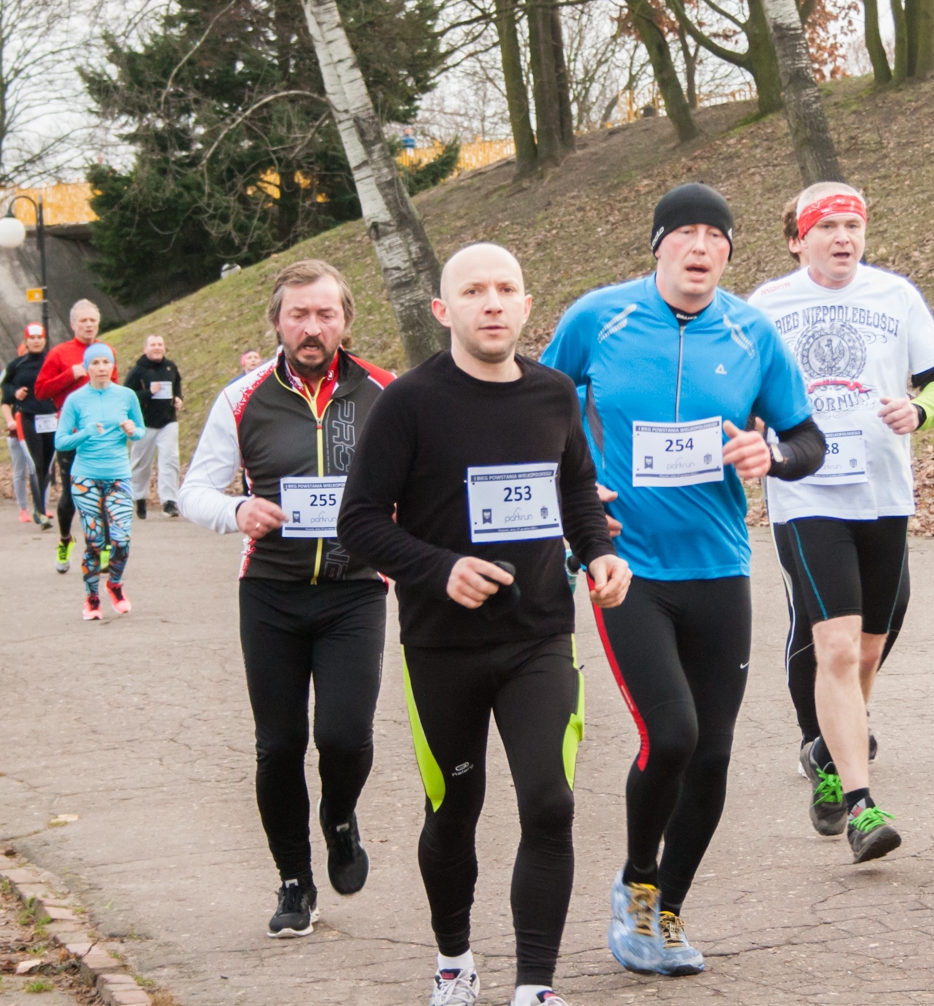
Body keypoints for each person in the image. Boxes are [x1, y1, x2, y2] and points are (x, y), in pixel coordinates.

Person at [541, 184, 824, 977]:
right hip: (627, 566)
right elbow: (537, 409)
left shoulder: (752, 330)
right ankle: (635, 883)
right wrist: (573, 492)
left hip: (720, 564)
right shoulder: (599, 318)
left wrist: (774, 456)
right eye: (685, 234)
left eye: (716, 236)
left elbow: (807, 436)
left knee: (713, 753)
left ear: (730, 252)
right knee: (672, 734)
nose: (700, 248)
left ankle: (666, 910)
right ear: (659, 244)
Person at [338, 243, 632, 1006]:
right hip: (442, 646)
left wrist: (598, 552)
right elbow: (359, 522)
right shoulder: (409, 402)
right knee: (454, 809)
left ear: (527, 305)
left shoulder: (554, 394)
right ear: (444, 310)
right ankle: (454, 960)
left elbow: (576, 491)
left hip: (539, 635)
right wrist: (439, 567)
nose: (492, 302)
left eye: (506, 289)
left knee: (551, 802)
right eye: (474, 291)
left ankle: (535, 985)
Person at [750, 182, 934, 861]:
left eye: (853, 225)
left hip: (883, 492)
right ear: (797, 238)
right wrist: (753, 431)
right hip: (805, 491)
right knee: (837, 646)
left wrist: (920, 411)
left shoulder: (896, 295)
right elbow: (738, 388)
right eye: (828, 226)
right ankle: (860, 803)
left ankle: (827, 747)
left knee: (869, 648)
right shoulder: (765, 306)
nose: (843, 237)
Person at [179, 259, 395, 937]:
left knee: (344, 736)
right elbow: (194, 491)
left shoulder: (384, 393)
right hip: (271, 591)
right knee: (277, 745)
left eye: (325, 313)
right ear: (277, 321)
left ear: (346, 319)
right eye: (298, 314)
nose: (311, 326)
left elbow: (423, 484)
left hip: (356, 590)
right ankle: (295, 880)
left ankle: (338, 813)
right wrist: (238, 509)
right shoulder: (241, 397)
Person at [54, 343, 144, 619]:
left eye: (107, 362)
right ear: (87, 368)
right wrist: (85, 432)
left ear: (113, 366)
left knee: (121, 539)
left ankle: (114, 584)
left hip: (118, 475)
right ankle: (91, 598)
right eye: (95, 363)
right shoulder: (76, 400)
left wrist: (132, 430)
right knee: (94, 541)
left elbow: (140, 430)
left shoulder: (127, 396)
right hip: (85, 477)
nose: (102, 368)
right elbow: (61, 440)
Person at [35, 300, 105, 574]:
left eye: (93, 320)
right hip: (72, 434)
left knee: (102, 492)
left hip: (101, 435)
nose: (89, 325)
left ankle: (99, 550)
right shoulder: (59, 353)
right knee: (71, 496)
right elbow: (41, 391)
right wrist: (68, 375)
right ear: (73, 324)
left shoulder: (105, 351)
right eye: (83, 321)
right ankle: (65, 540)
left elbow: (114, 389)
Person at [0, 323, 58, 528]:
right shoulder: (17, 364)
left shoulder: (52, 360)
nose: (35, 341)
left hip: (50, 418)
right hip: (28, 418)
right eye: (31, 338)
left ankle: (40, 506)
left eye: (39, 337)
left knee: (47, 465)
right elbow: (4, 385)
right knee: (35, 464)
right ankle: (40, 512)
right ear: (26, 340)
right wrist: (15, 392)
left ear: (44, 340)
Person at [124, 334, 185, 519]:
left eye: (160, 344)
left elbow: (177, 386)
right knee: (141, 464)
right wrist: (148, 393)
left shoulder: (170, 367)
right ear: (145, 349)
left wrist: (178, 399)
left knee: (170, 460)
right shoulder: (137, 371)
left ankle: (169, 501)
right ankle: (140, 498)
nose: (157, 348)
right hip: (144, 423)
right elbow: (127, 395)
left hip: (168, 421)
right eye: (153, 345)